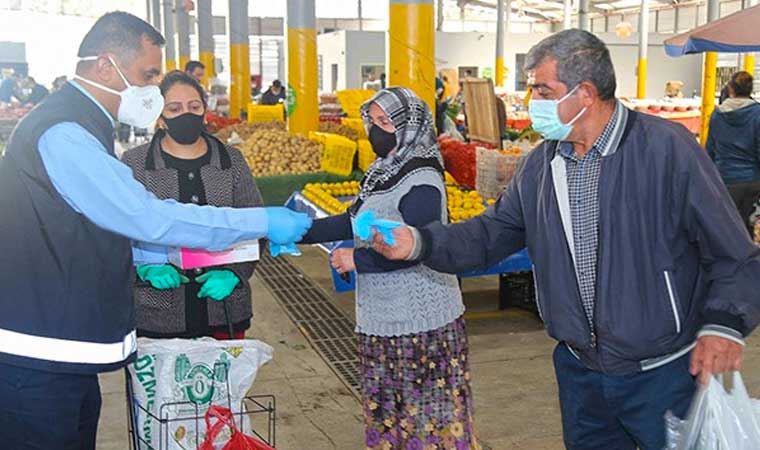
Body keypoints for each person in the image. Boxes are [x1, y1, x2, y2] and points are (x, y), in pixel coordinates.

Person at [373, 30, 760, 450]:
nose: (533, 99)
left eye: (542, 88)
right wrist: (420, 243)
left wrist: (724, 325)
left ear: (586, 93)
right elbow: (490, 233)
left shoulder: (667, 150)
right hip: (581, 374)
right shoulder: (542, 164)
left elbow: (734, 254)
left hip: (662, 374)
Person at [0, 12, 310, 450]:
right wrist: (260, 220)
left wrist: (153, 259)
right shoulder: (65, 133)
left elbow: (86, 227)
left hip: (58, 353)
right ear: (107, 66)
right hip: (35, 356)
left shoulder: (82, 126)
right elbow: (148, 217)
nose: (152, 90)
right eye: (148, 76)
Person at [300, 87, 480, 450]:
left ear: (409, 126)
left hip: (421, 326)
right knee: (391, 419)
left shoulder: (423, 180)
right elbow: (353, 221)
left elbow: (415, 248)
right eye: (374, 120)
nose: (376, 129)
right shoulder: (384, 171)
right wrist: (297, 229)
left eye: (386, 122)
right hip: (383, 320)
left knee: (427, 422)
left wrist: (357, 259)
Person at [123, 71, 262, 340]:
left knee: (221, 381)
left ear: (204, 111)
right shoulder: (135, 164)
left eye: (194, 107)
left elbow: (255, 224)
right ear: (160, 118)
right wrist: (143, 268)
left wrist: (235, 273)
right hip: (157, 315)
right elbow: (117, 229)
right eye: (174, 109)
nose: (186, 114)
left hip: (224, 312)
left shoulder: (230, 160)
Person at [706, 70, 760, 235]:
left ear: (730, 89)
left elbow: (710, 150)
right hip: (753, 180)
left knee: (727, 229)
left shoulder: (717, 115)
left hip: (725, 179)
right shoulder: (758, 113)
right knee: (748, 225)